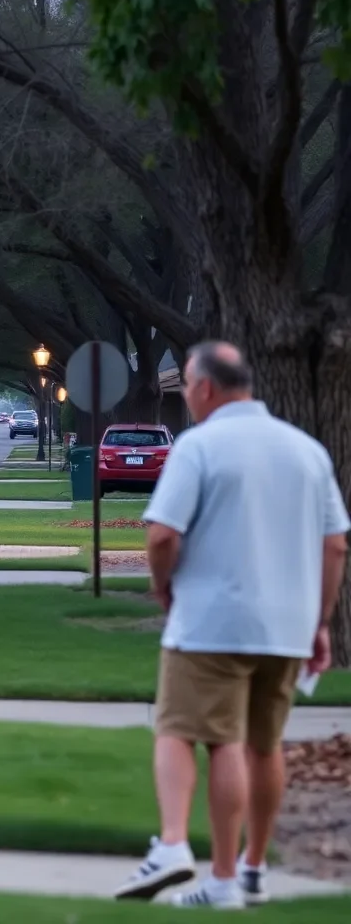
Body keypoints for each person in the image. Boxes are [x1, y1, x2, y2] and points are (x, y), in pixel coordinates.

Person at [115, 341, 348, 908]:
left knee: (185, 732)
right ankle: (246, 871)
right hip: (286, 628)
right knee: (263, 748)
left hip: (211, 621)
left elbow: (163, 535)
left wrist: (165, 585)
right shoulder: (307, 451)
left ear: (204, 388)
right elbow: (335, 547)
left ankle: (173, 846)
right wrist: (319, 623)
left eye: (190, 386)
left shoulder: (199, 446)